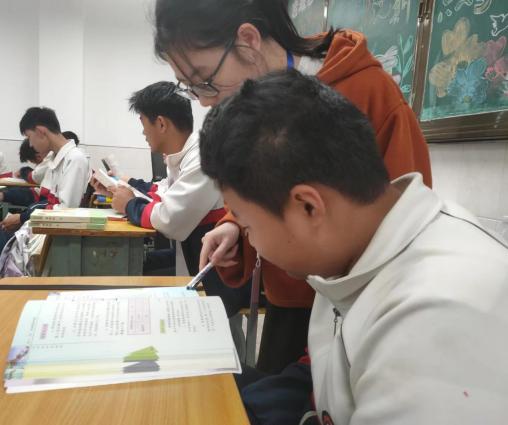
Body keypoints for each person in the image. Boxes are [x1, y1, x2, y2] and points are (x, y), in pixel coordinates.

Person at [199, 69, 508, 425]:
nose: (251, 241)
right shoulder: (355, 247)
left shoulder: (435, 324)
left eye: (248, 226)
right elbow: (331, 369)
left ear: (308, 207)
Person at [153, 0, 432, 373]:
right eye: (190, 88)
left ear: (248, 40)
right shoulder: (254, 104)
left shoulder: (365, 91)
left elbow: (402, 226)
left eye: (204, 80)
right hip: (289, 302)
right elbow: (265, 184)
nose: (204, 101)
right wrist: (235, 223)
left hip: (358, 312)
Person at [91, 82, 250, 351]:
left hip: (217, 270)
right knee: (208, 331)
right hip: (196, 257)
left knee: (222, 337)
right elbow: (163, 193)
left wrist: (128, 205)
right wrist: (120, 190)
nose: (143, 132)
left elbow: (169, 219)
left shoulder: (202, 157)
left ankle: (234, 373)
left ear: (161, 123)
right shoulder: (182, 155)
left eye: (143, 123)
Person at [0, 107, 90, 262]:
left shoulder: (75, 159)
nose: (30, 144)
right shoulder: (54, 158)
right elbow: (42, 199)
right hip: (40, 228)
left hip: (52, 238)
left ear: (41, 132)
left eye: (29, 137)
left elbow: (64, 212)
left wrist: (22, 218)